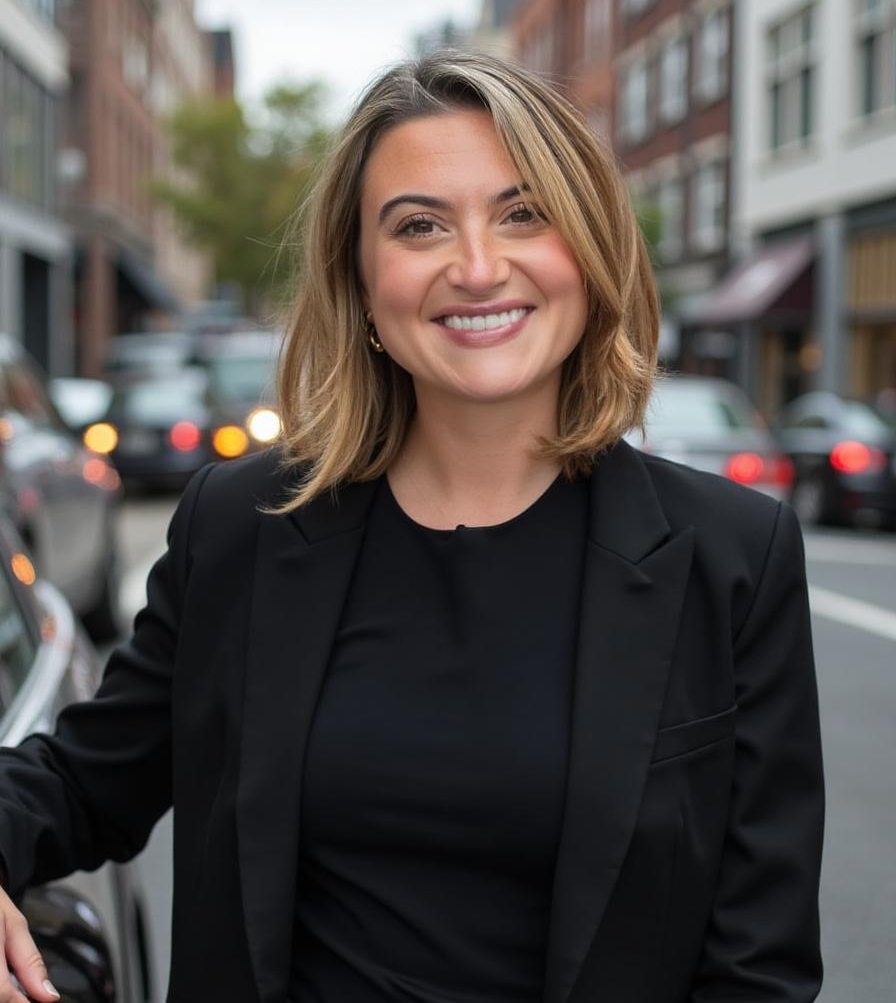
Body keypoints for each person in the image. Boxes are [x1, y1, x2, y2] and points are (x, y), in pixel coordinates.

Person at [0, 50, 823, 1003]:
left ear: (591, 252)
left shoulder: (734, 556)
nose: (477, 268)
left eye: (523, 214)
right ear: (361, 283)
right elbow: (82, 781)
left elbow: (758, 967)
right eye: (419, 226)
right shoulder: (241, 526)